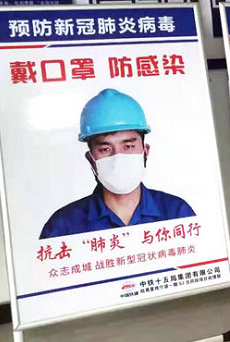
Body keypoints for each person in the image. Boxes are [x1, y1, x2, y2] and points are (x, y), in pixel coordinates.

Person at [40, 89, 195, 239]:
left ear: (145, 152)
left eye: (128, 146)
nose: (118, 157)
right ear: (91, 159)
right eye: (105, 149)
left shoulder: (177, 214)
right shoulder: (63, 227)